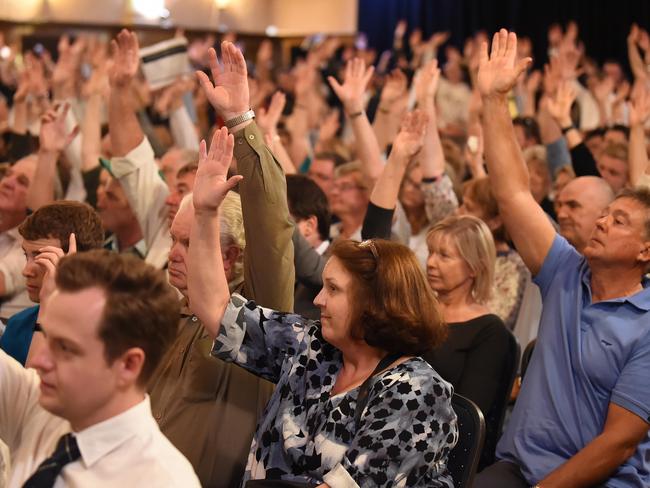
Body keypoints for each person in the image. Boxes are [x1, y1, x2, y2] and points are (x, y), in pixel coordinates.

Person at [186, 121, 458, 487]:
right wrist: (205, 214)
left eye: (333, 289)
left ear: (375, 303)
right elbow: (214, 308)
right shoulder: (313, 344)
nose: (317, 300)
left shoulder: (418, 391)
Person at [475, 29, 650, 487]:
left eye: (619, 221)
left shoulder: (648, 325)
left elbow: (619, 444)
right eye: (604, 215)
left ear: (646, 250)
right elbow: (512, 193)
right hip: (518, 469)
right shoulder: (565, 271)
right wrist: (495, 102)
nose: (600, 223)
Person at [148, 38, 295, 488]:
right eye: (174, 239)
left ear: (229, 254)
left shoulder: (256, 318)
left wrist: (240, 120)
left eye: (189, 242)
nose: (174, 254)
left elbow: (272, 228)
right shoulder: (164, 307)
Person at [0, 250, 200, 487]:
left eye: (65, 348)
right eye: (47, 336)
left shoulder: (160, 480)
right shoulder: (43, 405)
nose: (39, 361)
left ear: (128, 365)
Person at [422, 215, 513, 467]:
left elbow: (468, 415)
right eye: (430, 252)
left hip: (440, 451)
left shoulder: (489, 331)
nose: (430, 263)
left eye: (444, 256)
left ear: (473, 267)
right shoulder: (416, 312)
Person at [0, 200, 104, 366]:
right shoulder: (18, 325)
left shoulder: (106, 334)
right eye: (27, 255)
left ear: (77, 261)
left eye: (43, 258)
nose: (26, 271)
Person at [554, 176, 615, 254]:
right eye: (559, 205)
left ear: (604, 215)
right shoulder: (544, 259)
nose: (561, 215)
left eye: (573, 206)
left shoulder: (617, 265)